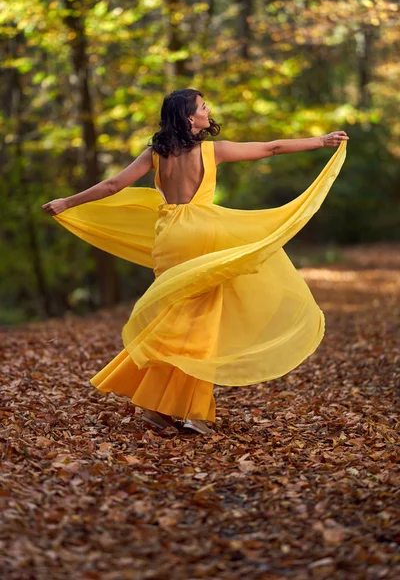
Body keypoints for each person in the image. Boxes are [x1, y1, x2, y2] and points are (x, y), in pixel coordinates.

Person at [42, 88, 349, 435]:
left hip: (169, 237)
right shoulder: (212, 150)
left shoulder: (155, 154)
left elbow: (113, 185)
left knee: (178, 321)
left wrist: (68, 202)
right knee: (200, 325)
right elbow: (272, 148)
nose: (208, 109)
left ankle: (164, 407)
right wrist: (320, 140)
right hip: (203, 234)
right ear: (190, 118)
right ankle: (189, 411)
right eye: (203, 106)